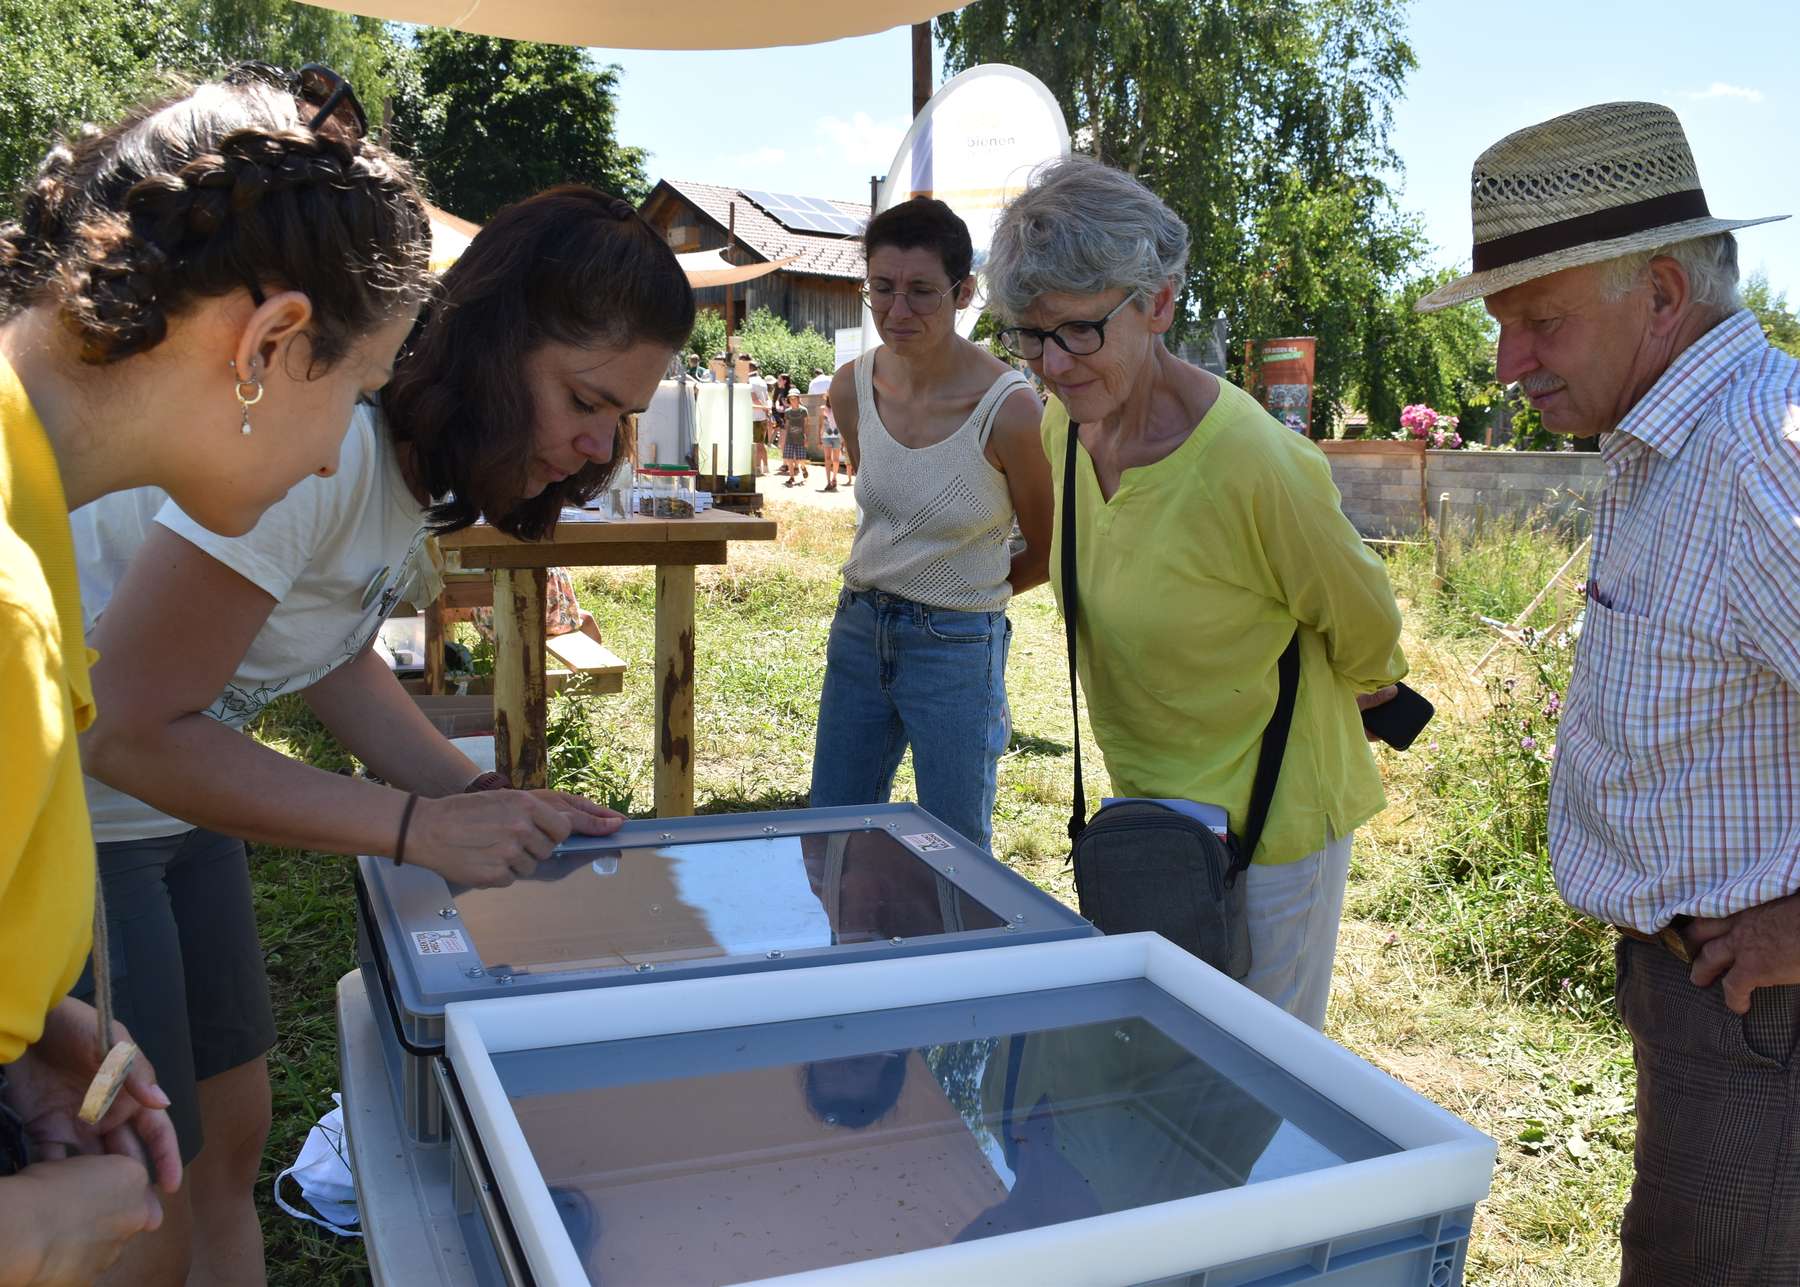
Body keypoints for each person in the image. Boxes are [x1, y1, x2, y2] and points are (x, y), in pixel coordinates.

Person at [69, 184, 691, 1284]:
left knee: (232, 1138)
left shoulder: (414, 475)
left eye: (621, 418)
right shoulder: (330, 446)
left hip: (175, 804)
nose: (600, 445)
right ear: (498, 341)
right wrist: (409, 827)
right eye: (586, 399)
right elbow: (125, 726)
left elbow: (322, 647)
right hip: (71, 816)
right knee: (137, 1205)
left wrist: (464, 797)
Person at [0, 67, 431, 1282]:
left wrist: (22, 1036)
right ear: (268, 345)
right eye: (356, 390)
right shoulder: (10, 615)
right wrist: (25, 1236)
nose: (347, 440)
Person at [1418, 101, 1800, 1284]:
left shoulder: (1759, 457)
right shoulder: (1668, 439)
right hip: (1709, 997)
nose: (1507, 362)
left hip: (1757, 1016)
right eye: (1501, 324)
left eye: (1540, 321)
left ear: (1665, 296)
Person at [985, 158, 1405, 1028]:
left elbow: (1369, 626)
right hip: (1155, 817)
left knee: (1259, 1079)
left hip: (1276, 824)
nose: (1052, 364)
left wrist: (1366, 684)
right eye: (1030, 335)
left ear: (1160, 303)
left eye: (1078, 330)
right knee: (1163, 1062)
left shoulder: (1256, 464)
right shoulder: (1065, 429)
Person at [809, 197, 1052, 852]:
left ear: (964, 291)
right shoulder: (850, 386)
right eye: (881, 290)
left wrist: (966, 600)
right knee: (830, 837)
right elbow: (890, 513)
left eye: (921, 292)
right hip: (860, 630)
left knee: (956, 854)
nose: (897, 311)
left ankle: (954, 957)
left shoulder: (1010, 409)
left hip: (956, 644)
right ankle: (852, 954)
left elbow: (1046, 548)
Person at [781, 390, 810, 485]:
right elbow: (787, 425)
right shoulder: (787, 411)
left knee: (800, 459)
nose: (792, 400)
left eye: (794, 398)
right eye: (791, 399)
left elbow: (806, 425)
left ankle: (803, 467)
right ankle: (792, 477)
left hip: (800, 438)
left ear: (798, 399)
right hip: (790, 438)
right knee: (789, 459)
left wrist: (806, 438)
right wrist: (783, 439)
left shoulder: (803, 410)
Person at [747, 358, 771, 476]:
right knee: (761, 443)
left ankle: (757, 468)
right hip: (762, 416)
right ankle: (765, 467)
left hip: (754, 417)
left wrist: (763, 409)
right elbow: (766, 398)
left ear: (750, 368)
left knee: (756, 444)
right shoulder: (762, 381)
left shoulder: (750, 382)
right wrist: (766, 411)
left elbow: (754, 398)